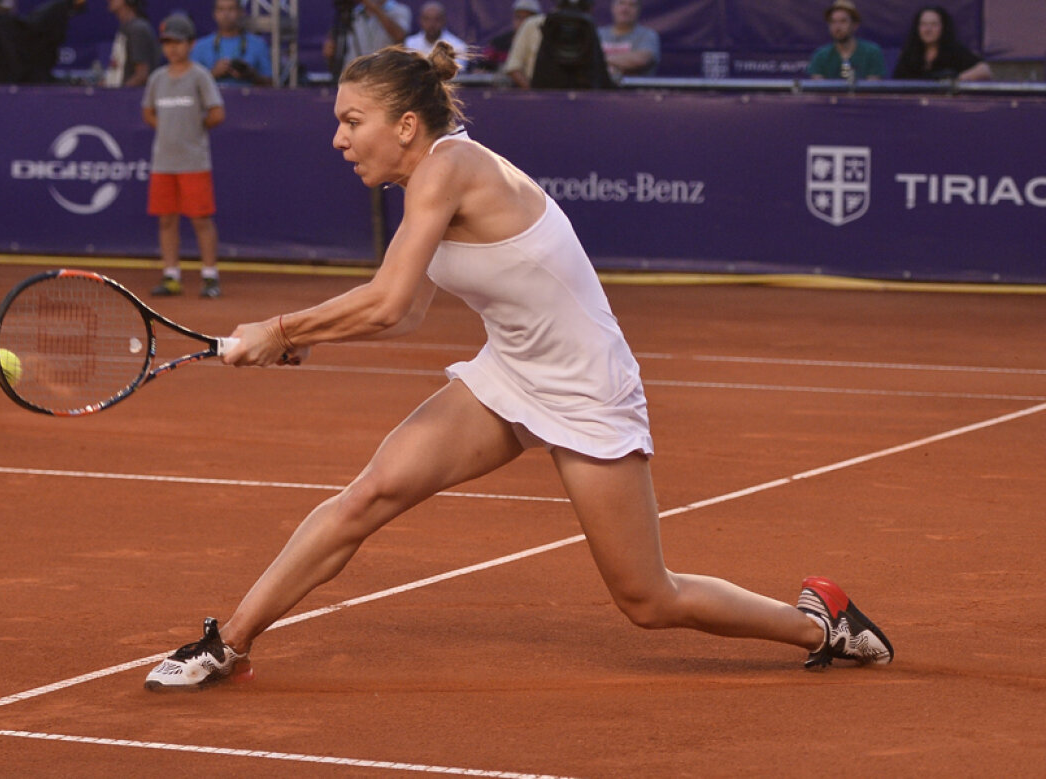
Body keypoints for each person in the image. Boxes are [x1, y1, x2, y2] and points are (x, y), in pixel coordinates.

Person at [143, 42, 895, 691]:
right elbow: (403, 312)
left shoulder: (451, 165)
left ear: (405, 125)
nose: (338, 138)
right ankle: (229, 642)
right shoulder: (424, 182)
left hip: (586, 385)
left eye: (350, 121)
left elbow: (384, 301)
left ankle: (818, 623)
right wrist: (304, 333)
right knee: (368, 494)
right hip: (510, 370)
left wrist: (279, 327)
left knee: (647, 598)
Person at [143, 13, 225, 299]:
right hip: (163, 162)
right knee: (166, 219)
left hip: (193, 162)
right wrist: (167, 129)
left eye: (177, 42)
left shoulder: (200, 76)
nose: (172, 48)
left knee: (201, 219)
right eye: (166, 43)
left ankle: (210, 275)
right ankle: (171, 274)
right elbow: (148, 111)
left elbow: (217, 112)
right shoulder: (157, 78)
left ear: (190, 43)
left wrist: (194, 128)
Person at [893, 5, 991, 82]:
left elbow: (984, 70)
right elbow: (898, 82)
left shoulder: (954, 51)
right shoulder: (909, 53)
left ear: (943, 28)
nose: (928, 30)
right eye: (924, 24)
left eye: (934, 25)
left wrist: (955, 80)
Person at [323, 0, 410, 81]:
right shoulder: (351, 13)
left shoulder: (399, 10)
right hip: (353, 77)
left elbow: (399, 35)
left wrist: (374, 8)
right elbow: (335, 54)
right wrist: (331, 53)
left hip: (383, 77)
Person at [190, 0, 271, 86]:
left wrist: (251, 74)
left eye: (231, 9)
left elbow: (271, 85)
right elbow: (190, 85)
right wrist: (213, 73)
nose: (226, 14)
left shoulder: (258, 45)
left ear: (241, 12)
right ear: (214, 14)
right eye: (221, 9)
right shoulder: (200, 47)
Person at [806, 0, 885, 81]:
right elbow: (818, 89)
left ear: (855, 25)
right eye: (833, 21)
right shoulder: (821, 55)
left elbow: (873, 88)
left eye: (843, 21)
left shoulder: (872, 52)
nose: (837, 27)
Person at [597, 0, 659, 82]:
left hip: (634, 91)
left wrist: (600, 59)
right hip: (598, 90)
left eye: (632, 5)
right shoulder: (598, 34)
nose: (625, 9)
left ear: (638, 10)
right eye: (621, 3)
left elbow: (642, 59)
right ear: (613, 8)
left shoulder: (647, 35)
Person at [475, 0, 539, 74]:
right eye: (519, 17)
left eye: (528, 18)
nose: (523, 22)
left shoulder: (542, 42)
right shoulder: (498, 43)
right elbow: (479, 69)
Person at [104, 0, 158, 87]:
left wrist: (117, 95)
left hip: (129, 98)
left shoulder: (137, 29)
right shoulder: (126, 28)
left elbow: (142, 75)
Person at [403, 1, 465, 70]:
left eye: (437, 19)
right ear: (420, 20)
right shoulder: (410, 43)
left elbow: (457, 73)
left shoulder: (458, 45)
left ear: (444, 20)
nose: (432, 24)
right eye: (427, 19)